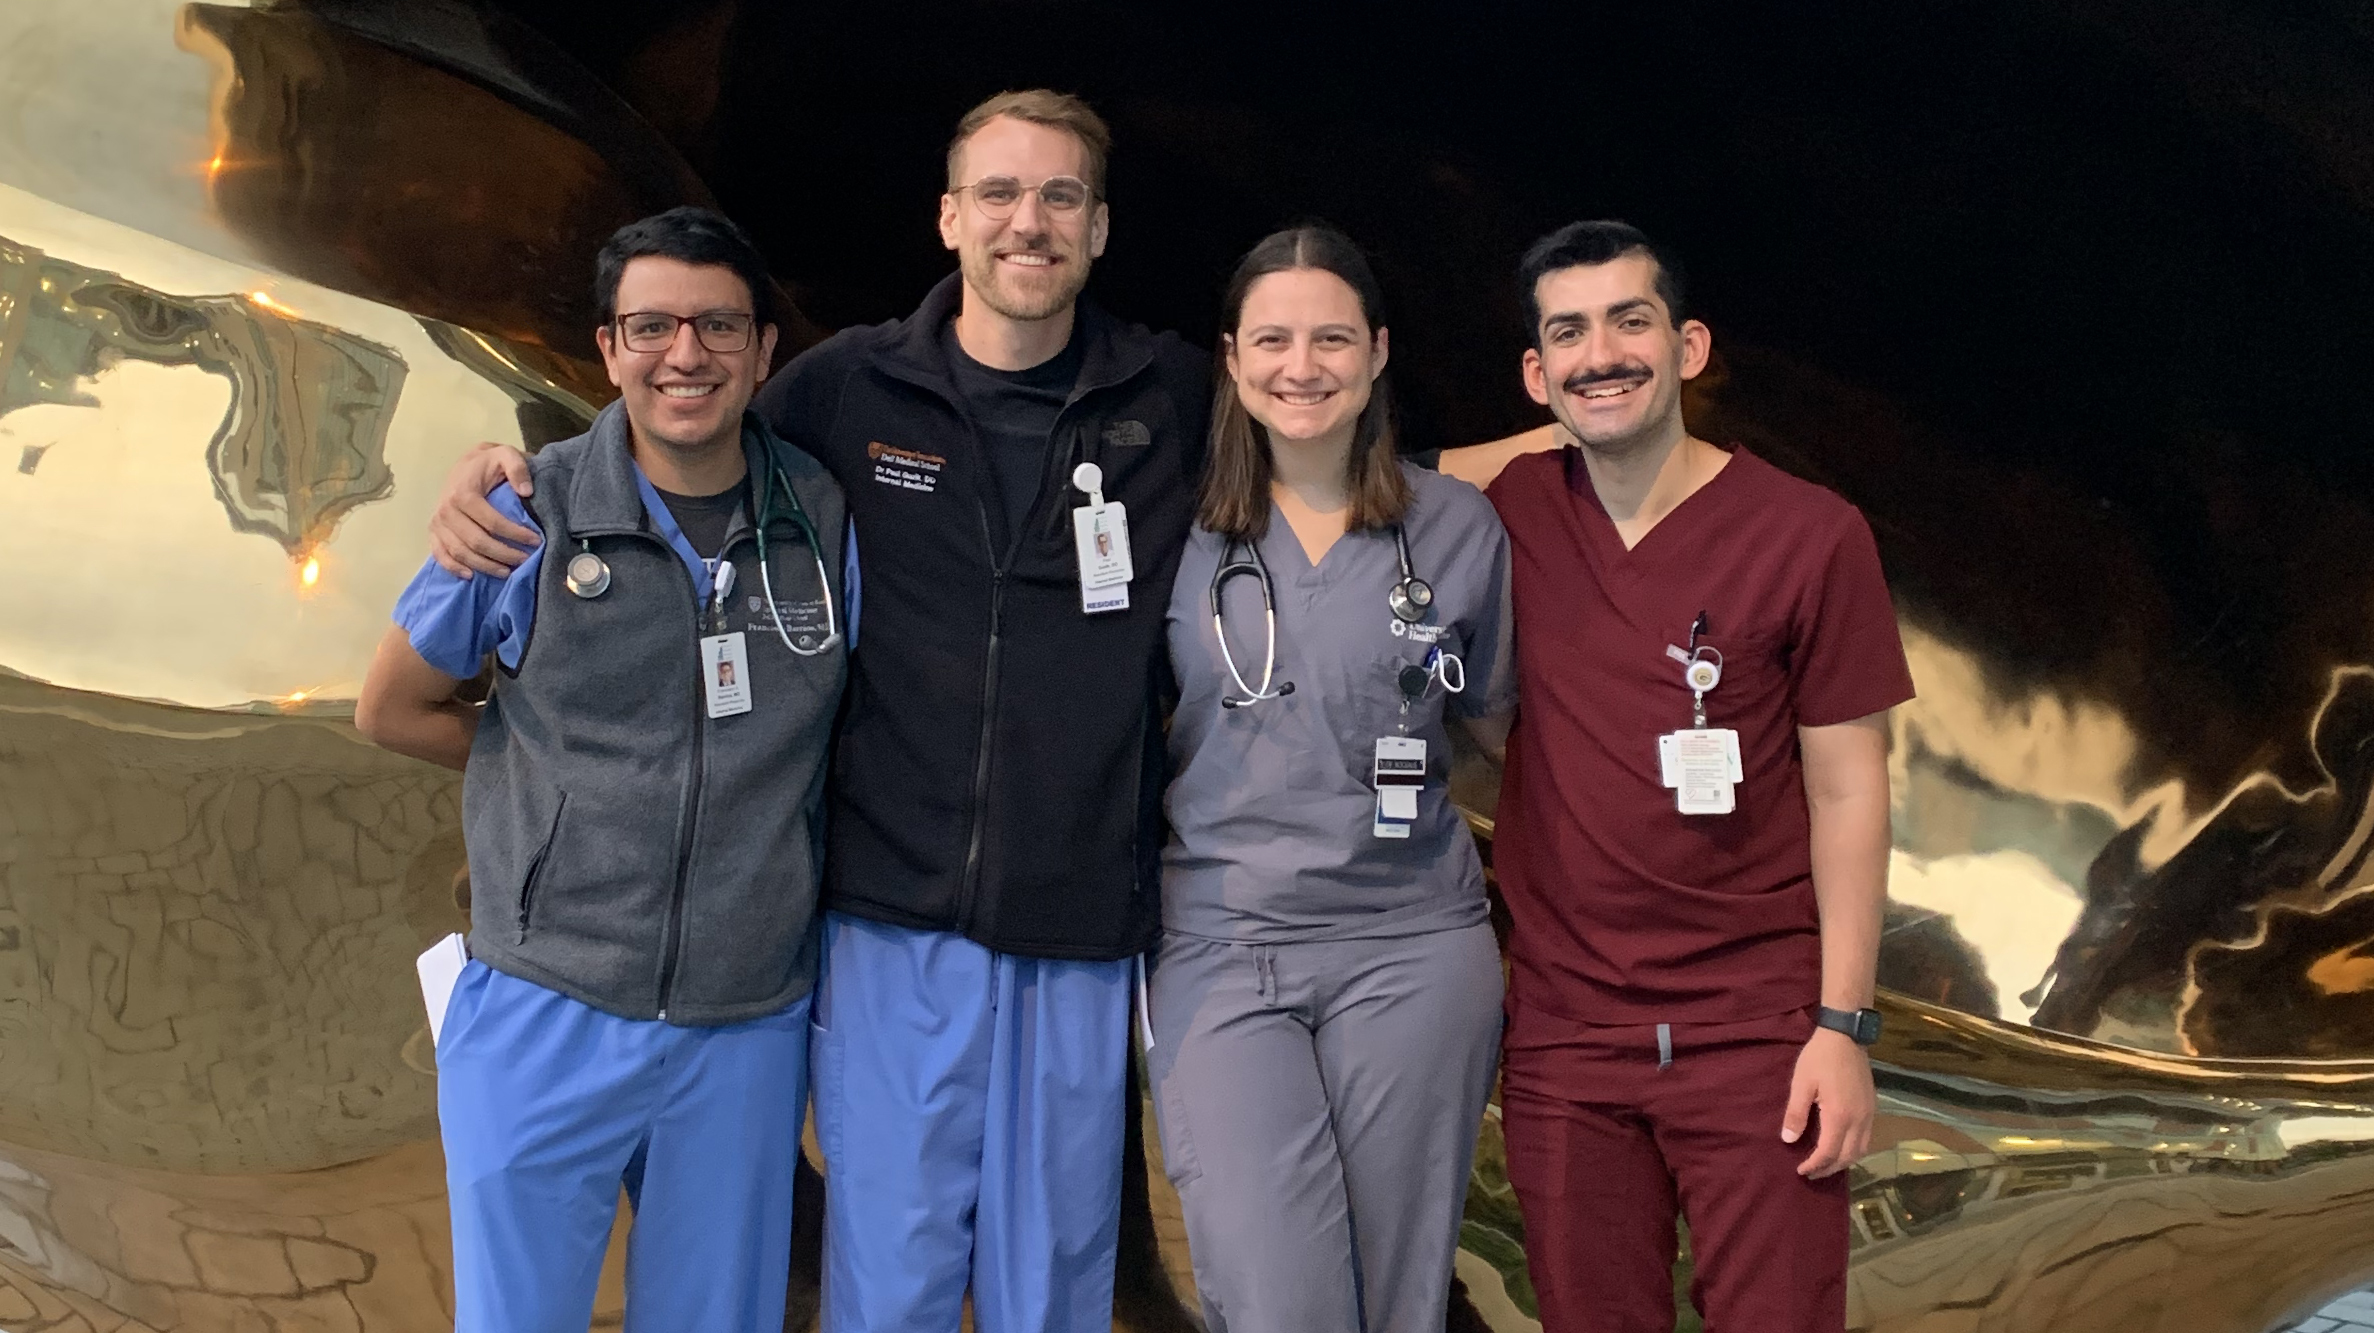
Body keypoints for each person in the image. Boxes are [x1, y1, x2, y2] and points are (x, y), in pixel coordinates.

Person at [420, 90, 1209, 1333]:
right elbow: (673, 438)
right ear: (949, 217)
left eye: (1060, 196)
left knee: (1050, 1289)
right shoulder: (851, 389)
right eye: (998, 193)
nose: (1028, 222)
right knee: (885, 1281)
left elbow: (1343, 464)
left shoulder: (1172, 398)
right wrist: (510, 474)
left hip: (1075, 923)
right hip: (889, 925)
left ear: (1099, 227)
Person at [354, 206, 851, 1333]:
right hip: (541, 1007)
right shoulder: (522, 512)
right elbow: (390, 707)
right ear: (608, 348)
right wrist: (545, 785)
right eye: (654, 326)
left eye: (720, 325)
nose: (688, 355)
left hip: (743, 1023)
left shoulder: (823, 519)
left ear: (766, 350)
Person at [1480, 220, 1912, 1333]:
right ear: (1536, 374)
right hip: (1569, 1043)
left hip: (1759, 1036)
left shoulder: (1810, 535)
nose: (1601, 354)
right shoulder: (1509, 512)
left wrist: (1844, 1028)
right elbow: (1352, 462)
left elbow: (1850, 792)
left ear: (1690, 346)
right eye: (1566, 334)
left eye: (1631, 321)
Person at [1146, 225, 1512, 1333]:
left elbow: (1504, 733)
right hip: (1221, 945)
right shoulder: (1169, 530)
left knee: (1400, 1301)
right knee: (1278, 1295)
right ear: (1230, 357)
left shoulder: (1455, 526)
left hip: (1414, 950)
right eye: (1272, 339)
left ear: (1378, 352)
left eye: (1330, 338)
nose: (1301, 365)